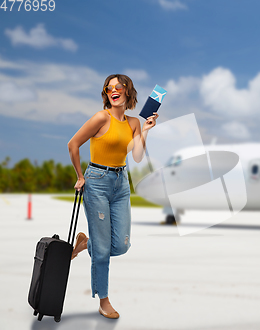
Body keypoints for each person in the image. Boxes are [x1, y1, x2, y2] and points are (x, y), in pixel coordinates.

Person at [67, 74, 159, 319]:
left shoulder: (133, 124)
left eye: (119, 86)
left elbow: (137, 156)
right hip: (96, 181)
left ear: (128, 91)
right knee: (102, 251)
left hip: (121, 183)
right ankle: (104, 300)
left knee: (121, 245)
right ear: (106, 94)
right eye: (109, 88)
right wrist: (80, 176)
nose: (114, 90)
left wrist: (146, 130)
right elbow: (73, 144)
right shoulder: (100, 117)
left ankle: (87, 243)